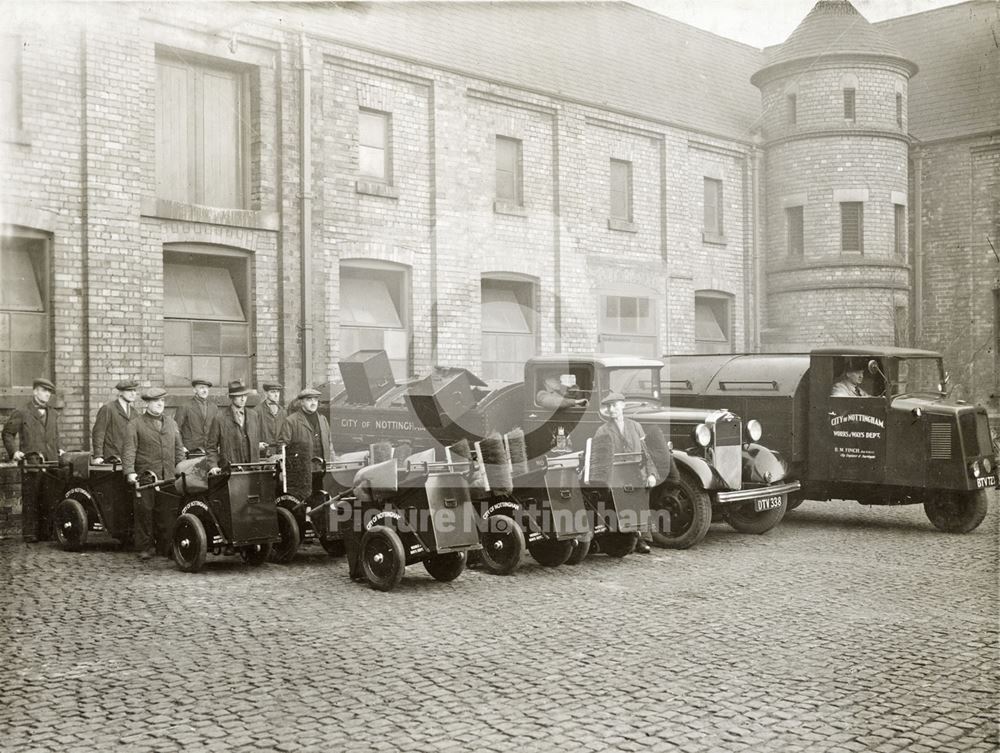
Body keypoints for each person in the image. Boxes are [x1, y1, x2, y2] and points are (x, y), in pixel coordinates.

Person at [122, 387, 185, 561]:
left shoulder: (171, 423)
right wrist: (129, 472)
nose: (160, 404)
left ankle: (167, 546)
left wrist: (181, 468)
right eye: (156, 401)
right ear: (147, 403)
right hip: (146, 476)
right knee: (145, 513)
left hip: (169, 476)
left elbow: (179, 449)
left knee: (168, 513)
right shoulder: (135, 424)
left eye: (162, 401)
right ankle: (145, 547)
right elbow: (129, 450)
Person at [594, 390, 658, 554]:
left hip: (636, 473)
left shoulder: (635, 426)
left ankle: (642, 539)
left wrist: (651, 474)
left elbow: (646, 453)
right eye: (608, 407)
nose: (611, 409)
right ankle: (624, 540)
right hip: (616, 474)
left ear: (622, 405)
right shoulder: (602, 430)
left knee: (640, 501)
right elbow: (599, 459)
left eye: (614, 405)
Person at [2, 378, 64, 542]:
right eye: (44, 390)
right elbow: (8, 433)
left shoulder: (53, 413)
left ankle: (47, 533)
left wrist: (59, 449)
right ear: (35, 391)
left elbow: (54, 436)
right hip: (32, 462)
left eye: (49, 392)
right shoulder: (22, 412)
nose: (47, 394)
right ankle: (30, 534)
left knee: (49, 497)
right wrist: (14, 452)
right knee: (31, 499)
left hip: (50, 462)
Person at [276, 386, 332, 501]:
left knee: (322, 502)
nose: (313, 403)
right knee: (304, 505)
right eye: (309, 400)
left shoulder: (323, 420)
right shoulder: (291, 421)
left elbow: (330, 445)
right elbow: (282, 446)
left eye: (315, 400)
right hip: (302, 473)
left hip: (322, 471)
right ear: (301, 402)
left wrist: (332, 463)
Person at [207, 380, 262, 472]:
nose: (243, 399)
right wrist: (213, 466)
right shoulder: (220, 418)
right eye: (239, 396)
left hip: (253, 468)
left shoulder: (253, 415)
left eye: (245, 395)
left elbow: (255, 441)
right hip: (231, 469)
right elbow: (211, 447)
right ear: (232, 397)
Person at [91, 379, 139, 461]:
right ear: (120, 392)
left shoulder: (134, 412)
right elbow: (99, 432)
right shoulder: (108, 408)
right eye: (129, 390)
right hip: (112, 458)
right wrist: (98, 455)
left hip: (129, 459)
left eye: (134, 390)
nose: (133, 393)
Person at [174, 378, 218, 452]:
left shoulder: (213, 407)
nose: (205, 390)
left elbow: (217, 429)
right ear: (194, 390)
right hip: (190, 449)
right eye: (201, 388)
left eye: (207, 388)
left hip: (209, 449)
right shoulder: (185, 406)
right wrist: (181, 447)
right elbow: (176, 429)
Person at [252, 381, 286, 448]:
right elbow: (252, 433)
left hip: (279, 450)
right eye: (273, 392)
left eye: (278, 392)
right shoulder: (257, 411)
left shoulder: (282, 411)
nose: (276, 395)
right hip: (263, 450)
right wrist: (257, 444)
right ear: (266, 393)